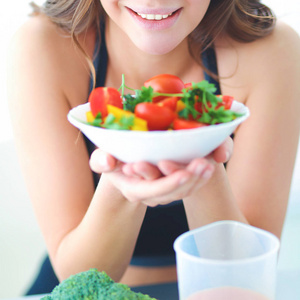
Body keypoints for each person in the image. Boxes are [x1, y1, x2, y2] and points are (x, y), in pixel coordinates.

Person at [7, 0, 300, 295]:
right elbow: (80, 278)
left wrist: (201, 158)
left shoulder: (273, 50)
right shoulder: (41, 46)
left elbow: (246, 272)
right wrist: (120, 178)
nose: (154, 1)